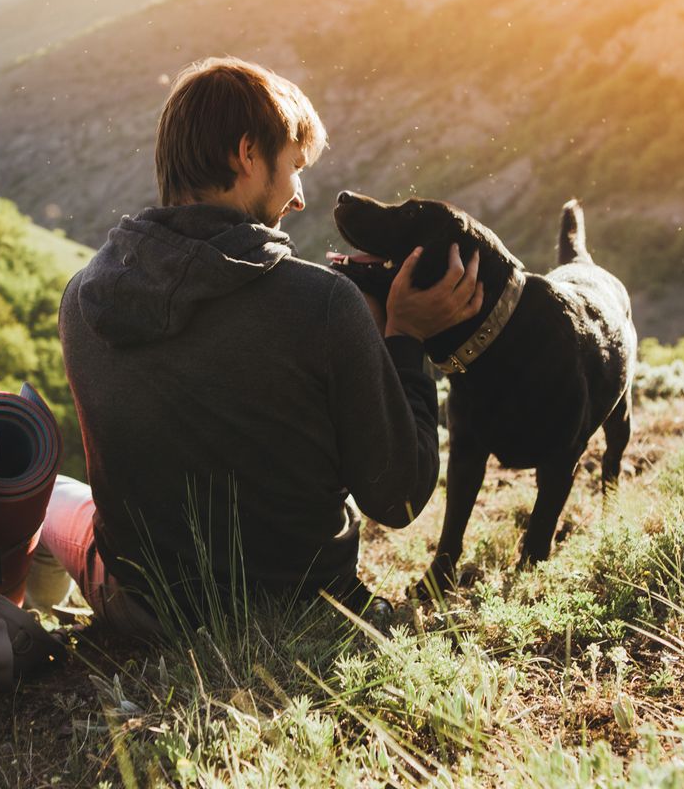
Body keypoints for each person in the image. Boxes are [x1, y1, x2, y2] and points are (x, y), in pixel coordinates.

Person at [32, 56, 482, 633]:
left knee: (51, 500)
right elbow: (397, 499)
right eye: (295, 166)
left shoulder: (82, 301)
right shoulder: (322, 304)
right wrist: (405, 339)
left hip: (146, 613)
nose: (298, 198)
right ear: (247, 155)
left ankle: (36, 619)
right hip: (304, 606)